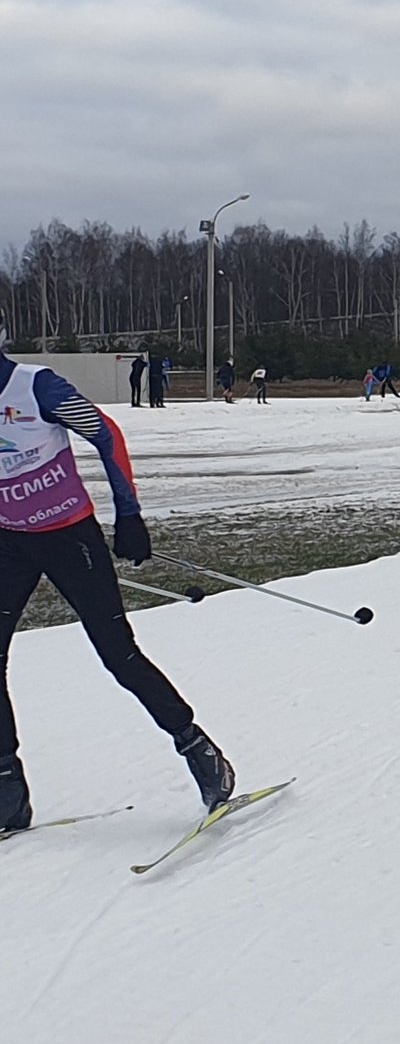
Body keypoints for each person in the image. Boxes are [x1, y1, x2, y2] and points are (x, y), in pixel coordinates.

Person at [0, 314, 234, 831]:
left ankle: (198, 749)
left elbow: (106, 437)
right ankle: (8, 795)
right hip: (9, 545)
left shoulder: (36, 386)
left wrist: (129, 515)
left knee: (118, 655)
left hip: (69, 538)